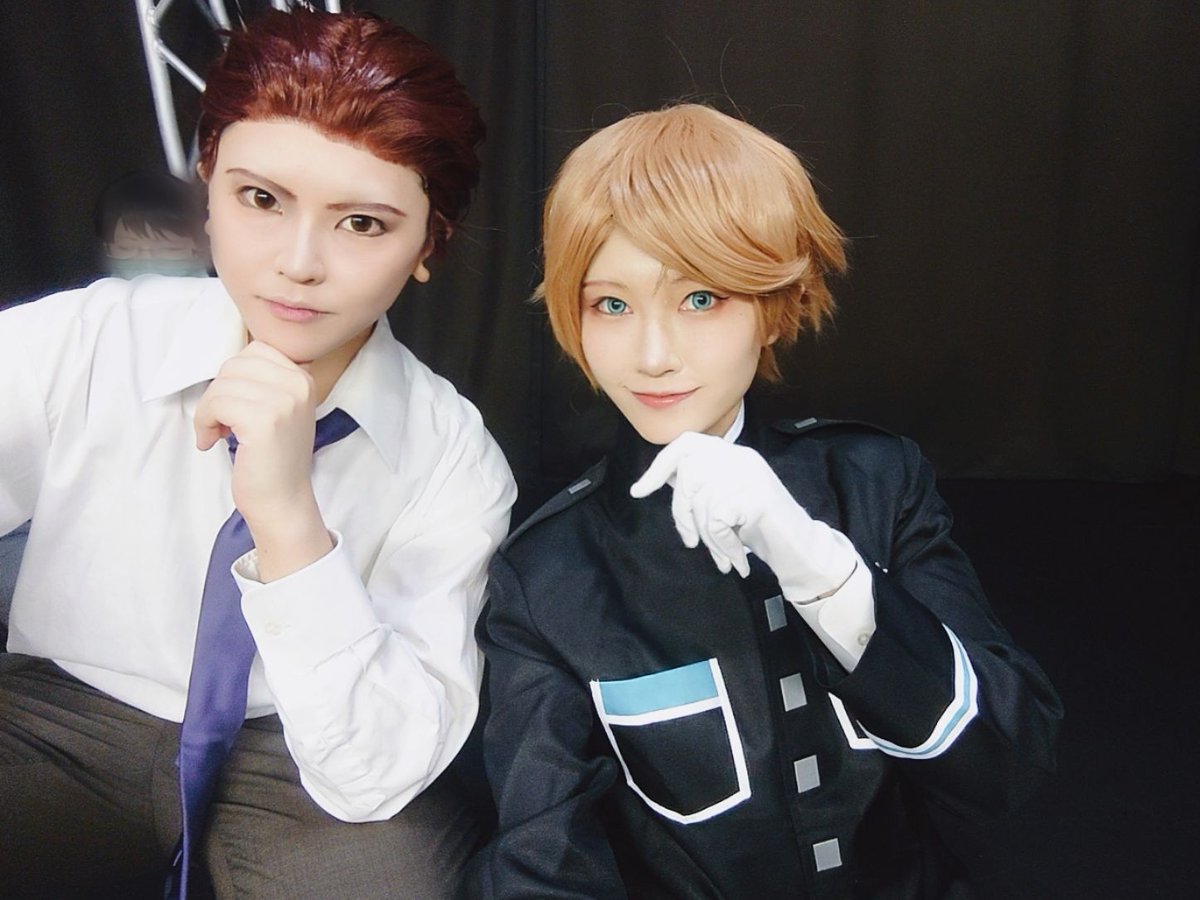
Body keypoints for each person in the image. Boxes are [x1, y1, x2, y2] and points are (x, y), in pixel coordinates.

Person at [473, 104, 1062, 898]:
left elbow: (1010, 761)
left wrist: (822, 569)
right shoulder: (547, 575)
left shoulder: (876, 482)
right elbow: (543, 863)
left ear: (775, 304)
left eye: (700, 299)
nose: (653, 355)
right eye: (611, 304)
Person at [0, 9, 514, 899]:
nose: (298, 264)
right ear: (207, 185)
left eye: (363, 223)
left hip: (300, 760)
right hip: (57, 718)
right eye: (262, 200)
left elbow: (379, 769)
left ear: (428, 244)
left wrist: (287, 523)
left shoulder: (453, 458)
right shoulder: (87, 343)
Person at [94, 168, 210, 279]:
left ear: (201, 247)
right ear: (107, 249)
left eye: (169, 249)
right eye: (127, 248)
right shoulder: (98, 292)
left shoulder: (216, 291)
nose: (147, 261)